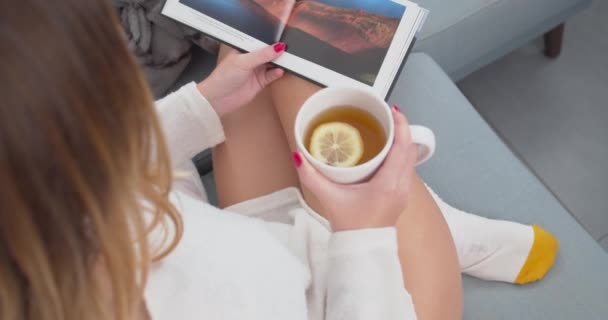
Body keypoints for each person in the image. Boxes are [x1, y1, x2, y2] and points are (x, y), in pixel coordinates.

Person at [0, 1, 558, 320]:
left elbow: (97, 165)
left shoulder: (31, 211)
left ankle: (420, 219)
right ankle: (438, 227)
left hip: (255, 242)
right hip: (352, 300)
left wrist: (201, 106)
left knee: (257, 36)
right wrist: (364, 234)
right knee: (316, 67)